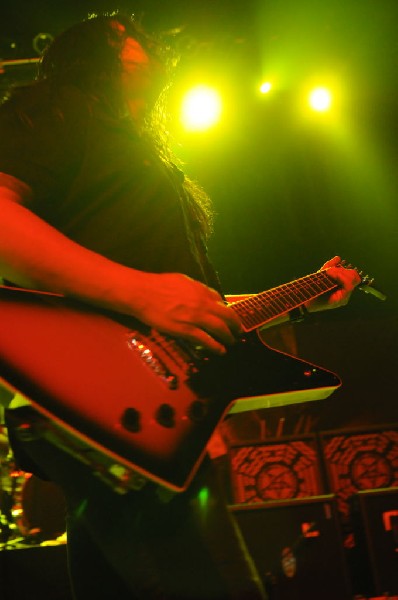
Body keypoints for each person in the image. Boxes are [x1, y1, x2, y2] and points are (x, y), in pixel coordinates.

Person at [0, 12, 360, 599]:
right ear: (89, 52)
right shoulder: (57, 112)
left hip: (149, 414)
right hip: (111, 397)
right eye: (121, 33)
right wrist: (142, 293)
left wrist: (308, 293)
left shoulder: (144, 157)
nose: (140, 39)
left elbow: (193, 305)